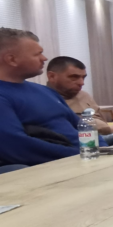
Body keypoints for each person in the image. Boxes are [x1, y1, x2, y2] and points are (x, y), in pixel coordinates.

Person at [0, 28, 106, 168]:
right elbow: (16, 146)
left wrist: (103, 149)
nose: (44, 58)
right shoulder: (3, 96)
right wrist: (81, 154)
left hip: (86, 155)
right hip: (55, 163)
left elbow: (83, 127)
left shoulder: (45, 91)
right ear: (12, 59)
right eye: (38, 54)